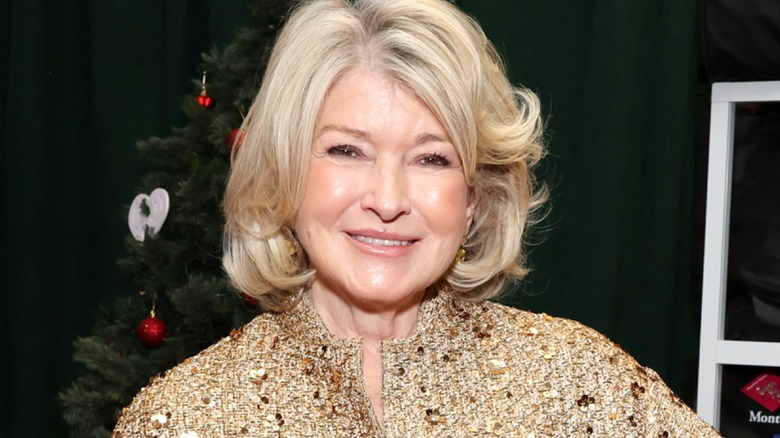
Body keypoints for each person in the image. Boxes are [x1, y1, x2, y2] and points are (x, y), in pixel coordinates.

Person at [113, 0, 720, 436]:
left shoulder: (579, 381)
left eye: (432, 158)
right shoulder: (182, 417)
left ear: (473, 196)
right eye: (347, 150)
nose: (388, 199)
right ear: (286, 176)